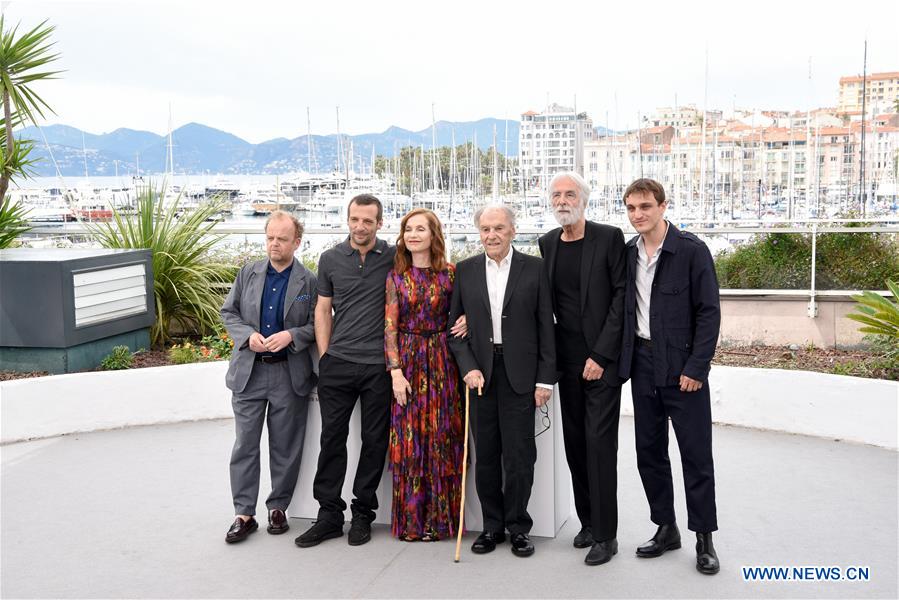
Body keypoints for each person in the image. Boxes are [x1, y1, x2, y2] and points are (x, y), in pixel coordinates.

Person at [618, 178, 722, 575]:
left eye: (645, 206)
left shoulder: (692, 251)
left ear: (663, 206)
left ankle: (704, 538)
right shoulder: (628, 254)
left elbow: (709, 313)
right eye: (631, 208)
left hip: (683, 370)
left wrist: (696, 367)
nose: (638, 214)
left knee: (695, 456)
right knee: (649, 453)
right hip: (642, 366)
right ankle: (666, 527)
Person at [448, 205, 556, 558]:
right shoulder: (464, 271)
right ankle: (492, 527)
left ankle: (518, 528)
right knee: (488, 457)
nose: (491, 235)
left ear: (512, 230)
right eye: (485, 229)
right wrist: (467, 367)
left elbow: (546, 329)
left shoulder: (535, 269)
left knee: (521, 457)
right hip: (481, 376)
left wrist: (545, 381)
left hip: (522, 377)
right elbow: (454, 333)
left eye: (498, 228)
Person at [294, 194, 396, 548]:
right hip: (338, 363)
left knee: (374, 442)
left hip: (379, 367)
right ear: (348, 219)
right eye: (355, 219)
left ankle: (363, 513)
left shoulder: (395, 257)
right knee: (331, 439)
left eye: (368, 220)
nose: (360, 226)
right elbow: (322, 310)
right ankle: (329, 515)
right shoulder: (331, 258)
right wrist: (325, 358)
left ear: (379, 223)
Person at [538, 171, 627, 566]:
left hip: (601, 364)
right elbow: (538, 300)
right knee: (575, 447)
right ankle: (588, 522)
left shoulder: (608, 238)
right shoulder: (547, 243)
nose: (562, 200)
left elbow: (621, 301)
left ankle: (607, 536)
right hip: (566, 363)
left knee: (599, 447)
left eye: (569, 194)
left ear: (584, 199)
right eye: (556, 195)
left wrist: (602, 356)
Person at [221, 211, 317, 543]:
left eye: (282, 239)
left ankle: (278, 507)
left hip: (289, 375)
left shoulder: (310, 281)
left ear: (297, 242)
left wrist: (293, 335)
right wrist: (247, 335)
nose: (274, 244)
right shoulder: (248, 273)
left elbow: (319, 325)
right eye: (270, 238)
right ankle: (243, 513)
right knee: (245, 445)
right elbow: (228, 312)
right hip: (249, 372)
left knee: (286, 445)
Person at [385, 208, 463, 541]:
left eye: (421, 228)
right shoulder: (396, 276)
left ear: (434, 235)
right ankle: (412, 523)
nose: (413, 234)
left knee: (442, 439)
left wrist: (469, 320)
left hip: (444, 363)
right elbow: (389, 327)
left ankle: (440, 522)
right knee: (410, 442)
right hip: (408, 363)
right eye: (408, 229)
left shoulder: (451, 273)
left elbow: (468, 310)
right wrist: (395, 372)